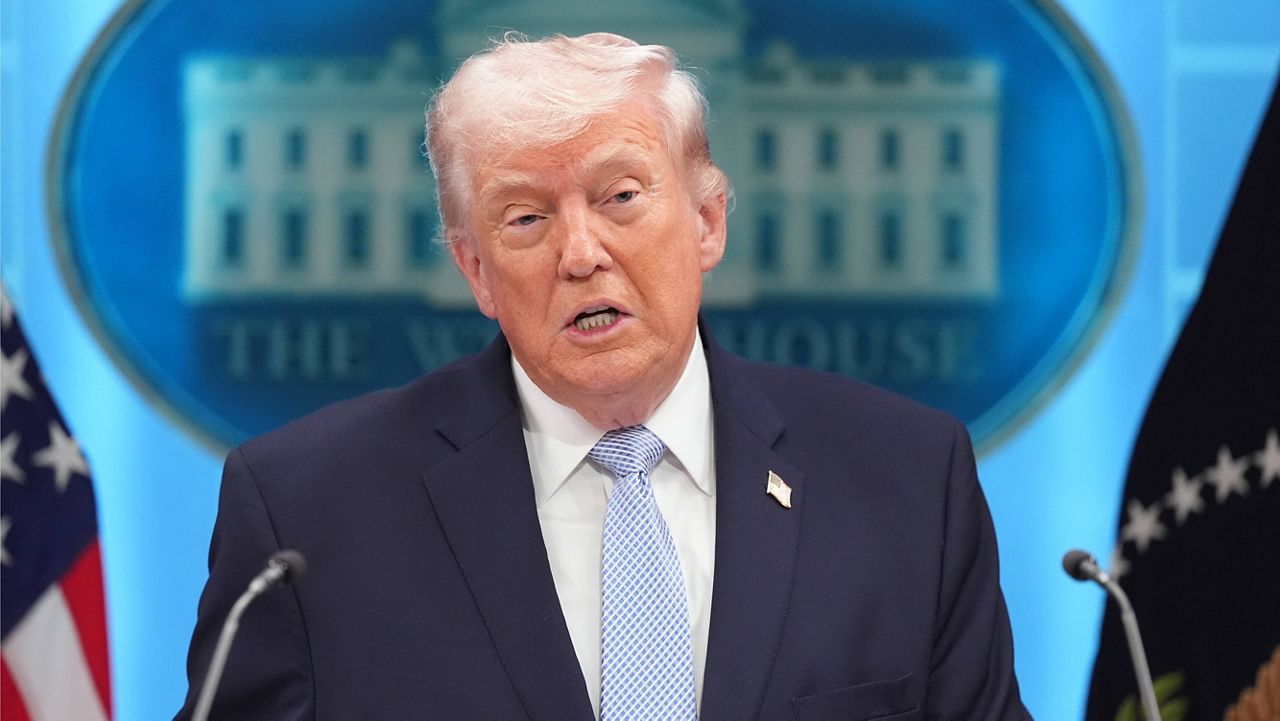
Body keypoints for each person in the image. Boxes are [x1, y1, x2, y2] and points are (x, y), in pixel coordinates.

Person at [176, 32, 1030, 720]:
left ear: (705, 221)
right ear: (475, 270)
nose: (581, 254)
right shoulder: (306, 512)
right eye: (526, 217)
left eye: (621, 196)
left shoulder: (911, 482)